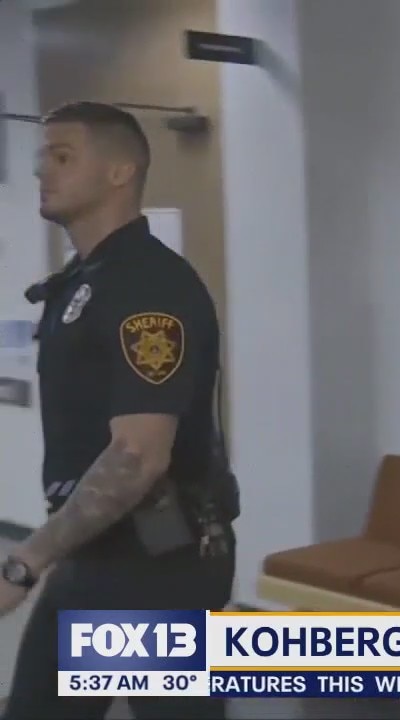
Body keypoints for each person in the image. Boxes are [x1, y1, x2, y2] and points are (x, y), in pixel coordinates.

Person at [0, 102, 235, 720]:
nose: (41, 170)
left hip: (157, 564)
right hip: (97, 552)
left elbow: (137, 455)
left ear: (119, 172)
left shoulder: (147, 285)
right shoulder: (87, 279)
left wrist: (27, 560)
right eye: (42, 157)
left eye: (62, 156)